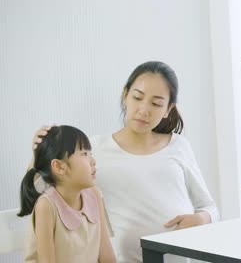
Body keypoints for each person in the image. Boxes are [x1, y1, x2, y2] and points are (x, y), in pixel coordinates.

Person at [33, 61, 219, 262]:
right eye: (137, 97)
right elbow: (42, 190)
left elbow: (209, 207)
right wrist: (39, 153)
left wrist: (201, 218)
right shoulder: (92, 149)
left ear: (168, 109)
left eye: (156, 104)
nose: (144, 110)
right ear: (125, 96)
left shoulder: (179, 146)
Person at [18, 125, 115, 262]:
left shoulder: (94, 194)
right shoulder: (46, 206)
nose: (93, 161)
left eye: (90, 154)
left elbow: (107, 257)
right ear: (59, 167)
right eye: (84, 154)